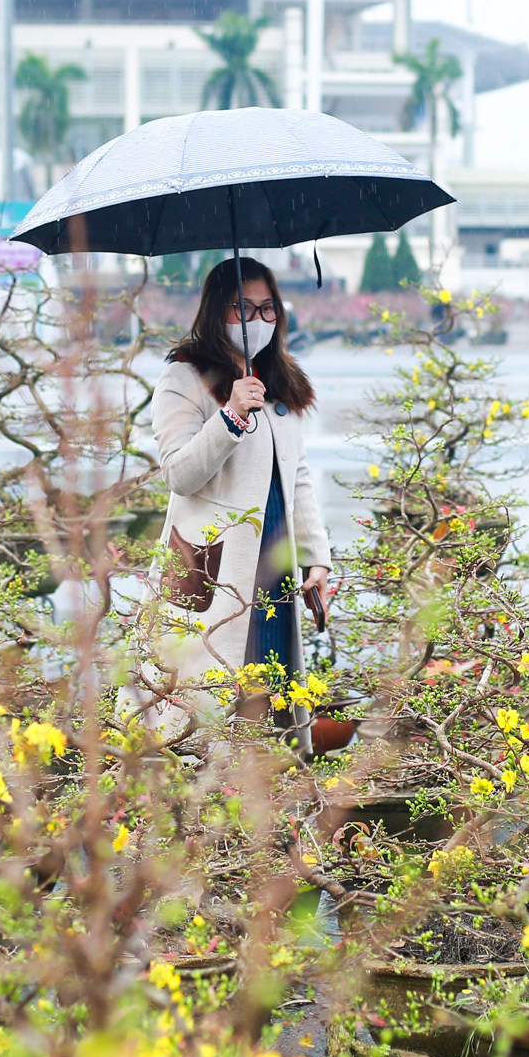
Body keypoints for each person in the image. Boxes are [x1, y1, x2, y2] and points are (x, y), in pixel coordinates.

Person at [134, 256, 333, 738]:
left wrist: (317, 559)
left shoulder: (282, 380)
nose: (257, 321)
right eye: (242, 308)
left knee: (271, 688)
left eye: (268, 309)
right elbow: (178, 475)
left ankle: (270, 800)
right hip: (213, 561)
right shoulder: (185, 377)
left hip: (276, 558)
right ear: (216, 310)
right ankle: (197, 803)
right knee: (202, 695)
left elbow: (297, 475)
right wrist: (228, 418)